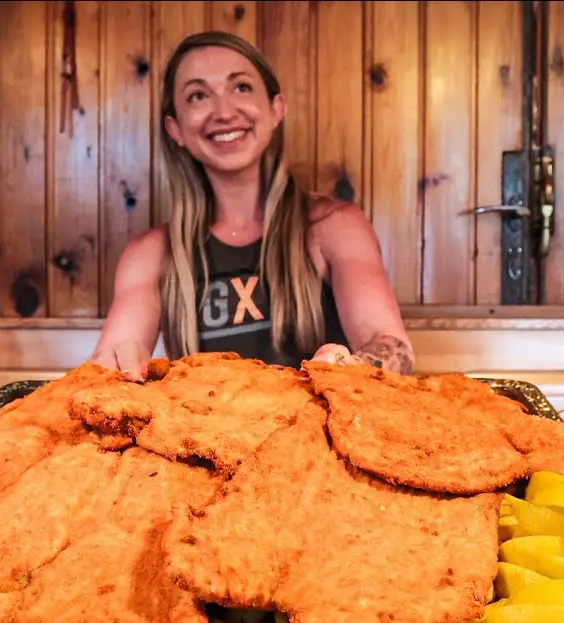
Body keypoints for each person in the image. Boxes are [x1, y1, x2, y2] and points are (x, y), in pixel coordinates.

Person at [89, 30, 414, 381]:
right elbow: (111, 359)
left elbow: (393, 347)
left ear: (276, 108)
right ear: (176, 128)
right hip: (201, 436)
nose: (224, 111)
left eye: (241, 87)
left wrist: (350, 365)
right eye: (198, 96)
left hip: (316, 433)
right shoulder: (148, 254)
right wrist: (123, 361)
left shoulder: (335, 226)